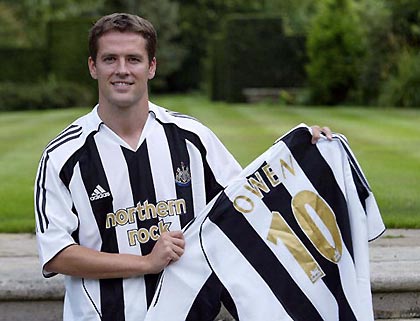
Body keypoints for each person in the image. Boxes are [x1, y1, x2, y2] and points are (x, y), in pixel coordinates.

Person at [34, 13, 332, 321]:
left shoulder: (192, 138)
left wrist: (303, 154)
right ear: (93, 67)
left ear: (151, 67)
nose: (121, 70)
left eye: (133, 59)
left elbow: (248, 203)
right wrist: (146, 263)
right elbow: (58, 255)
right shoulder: (64, 155)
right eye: (110, 59)